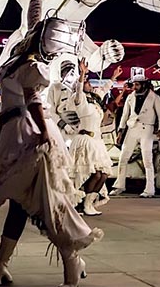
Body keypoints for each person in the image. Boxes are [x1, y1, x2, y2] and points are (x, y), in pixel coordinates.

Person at [0, 0, 102, 286]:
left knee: (24, 206)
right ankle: (72, 261)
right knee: (50, 202)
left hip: (13, 133)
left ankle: (2, 264)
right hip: (32, 133)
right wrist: (47, 136)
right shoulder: (35, 66)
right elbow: (35, 100)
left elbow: (33, 23)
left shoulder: (17, 59)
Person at [69, 60, 120, 215]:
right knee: (92, 174)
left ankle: (89, 204)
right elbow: (78, 90)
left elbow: (104, 89)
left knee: (104, 174)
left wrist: (113, 77)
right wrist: (82, 73)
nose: (90, 84)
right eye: (87, 83)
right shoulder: (80, 101)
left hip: (96, 142)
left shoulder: (95, 100)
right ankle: (81, 204)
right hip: (84, 141)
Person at [110, 67, 160, 198]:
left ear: (144, 85)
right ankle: (119, 185)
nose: (134, 87)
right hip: (132, 128)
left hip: (147, 129)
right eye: (134, 84)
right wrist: (120, 131)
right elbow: (125, 115)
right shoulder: (130, 97)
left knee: (147, 160)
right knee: (123, 157)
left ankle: (150, 189)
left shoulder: (154, 97)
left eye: (137, 84)